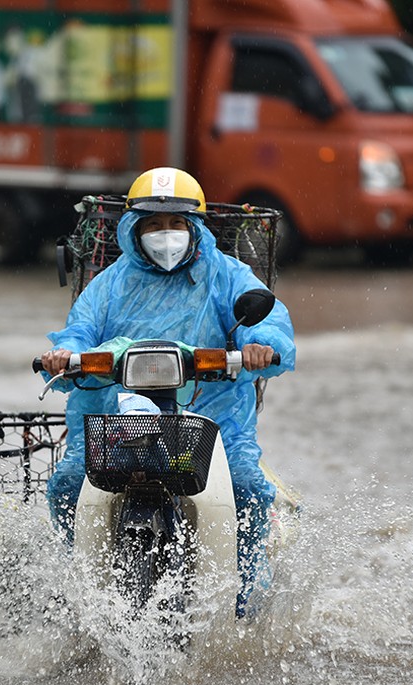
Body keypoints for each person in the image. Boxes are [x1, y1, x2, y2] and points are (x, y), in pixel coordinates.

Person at [39, 166, 296, 617]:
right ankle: (71, 592)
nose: (166, 234)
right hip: (115, 415)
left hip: (213, 419)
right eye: (154, 224)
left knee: (249, 489)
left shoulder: (226, 274)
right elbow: (77, 330)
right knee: (66, 484)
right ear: (133, 229)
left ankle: (247, 598)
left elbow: (270, 320)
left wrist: (262, 346)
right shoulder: (109, 284)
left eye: (176, 223)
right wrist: (64, 355)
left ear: (194, 226)